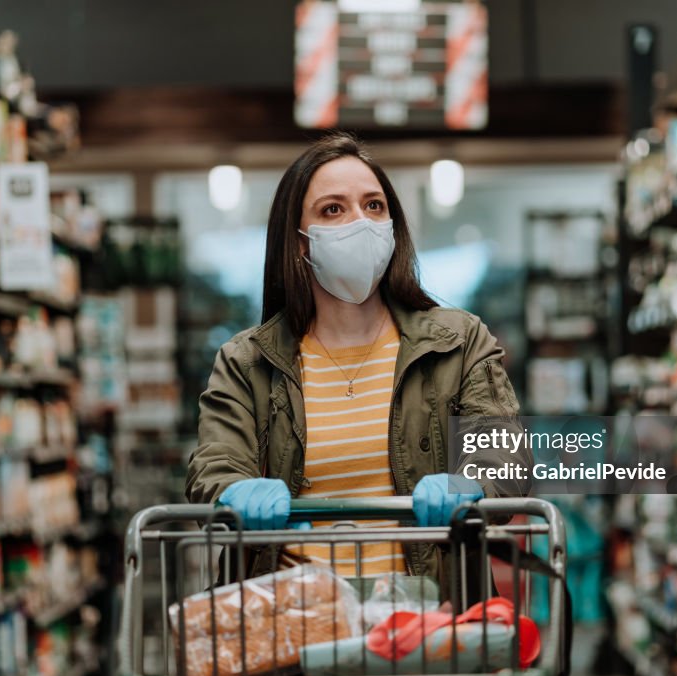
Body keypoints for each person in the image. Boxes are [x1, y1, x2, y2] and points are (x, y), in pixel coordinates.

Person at [185, 132, 527, 580]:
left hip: (424, 626)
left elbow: (506, 455)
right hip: (295, 625)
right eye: (333, 209)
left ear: (392, 225)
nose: (360, 223)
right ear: (301, 241)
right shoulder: (247, 363)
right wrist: (234, 491)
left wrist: (475, 483)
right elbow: (215, 465)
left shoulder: (459, 343)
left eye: (374, 206)